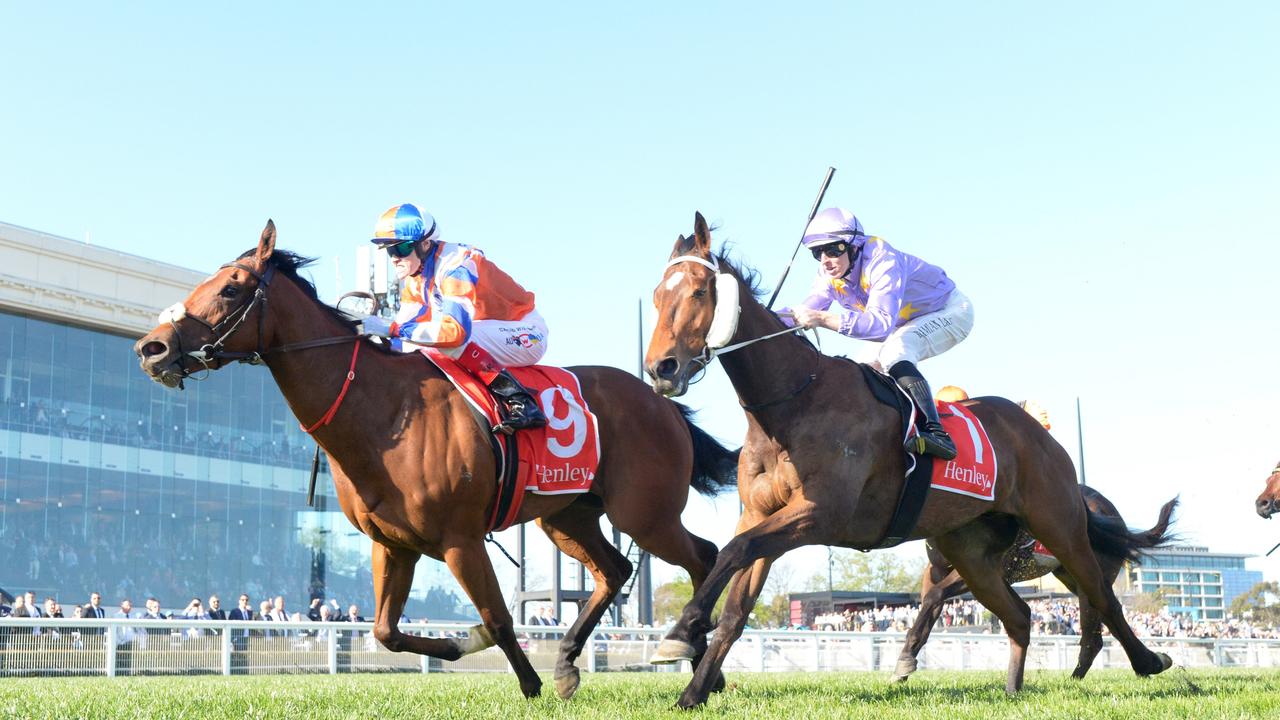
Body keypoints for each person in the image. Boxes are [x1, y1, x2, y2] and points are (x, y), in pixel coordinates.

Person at [779, 208, 973, 459]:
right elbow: (805, 310)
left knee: (895, 351)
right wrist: (758, 315)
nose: (825, 259)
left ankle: (937, 433)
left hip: (949, 311)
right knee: (856, 375)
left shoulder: (882, 259)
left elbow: (879, 327)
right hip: (899, 323)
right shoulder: (828, 273)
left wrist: (823, 319)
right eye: (818, 252)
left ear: (854, 246)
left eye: (833, 249)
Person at [360, 203, 548, 433]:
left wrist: (390, 329)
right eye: (389, 251)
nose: (394, 258)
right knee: (420, 342)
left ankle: (520, 400)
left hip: (527, 332)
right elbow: (403, 337)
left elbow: (455, 333)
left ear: (425, 244)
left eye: (400, 249)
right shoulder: (415, 277)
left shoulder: (456, 265)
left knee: (450, 340)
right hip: (490, 333)